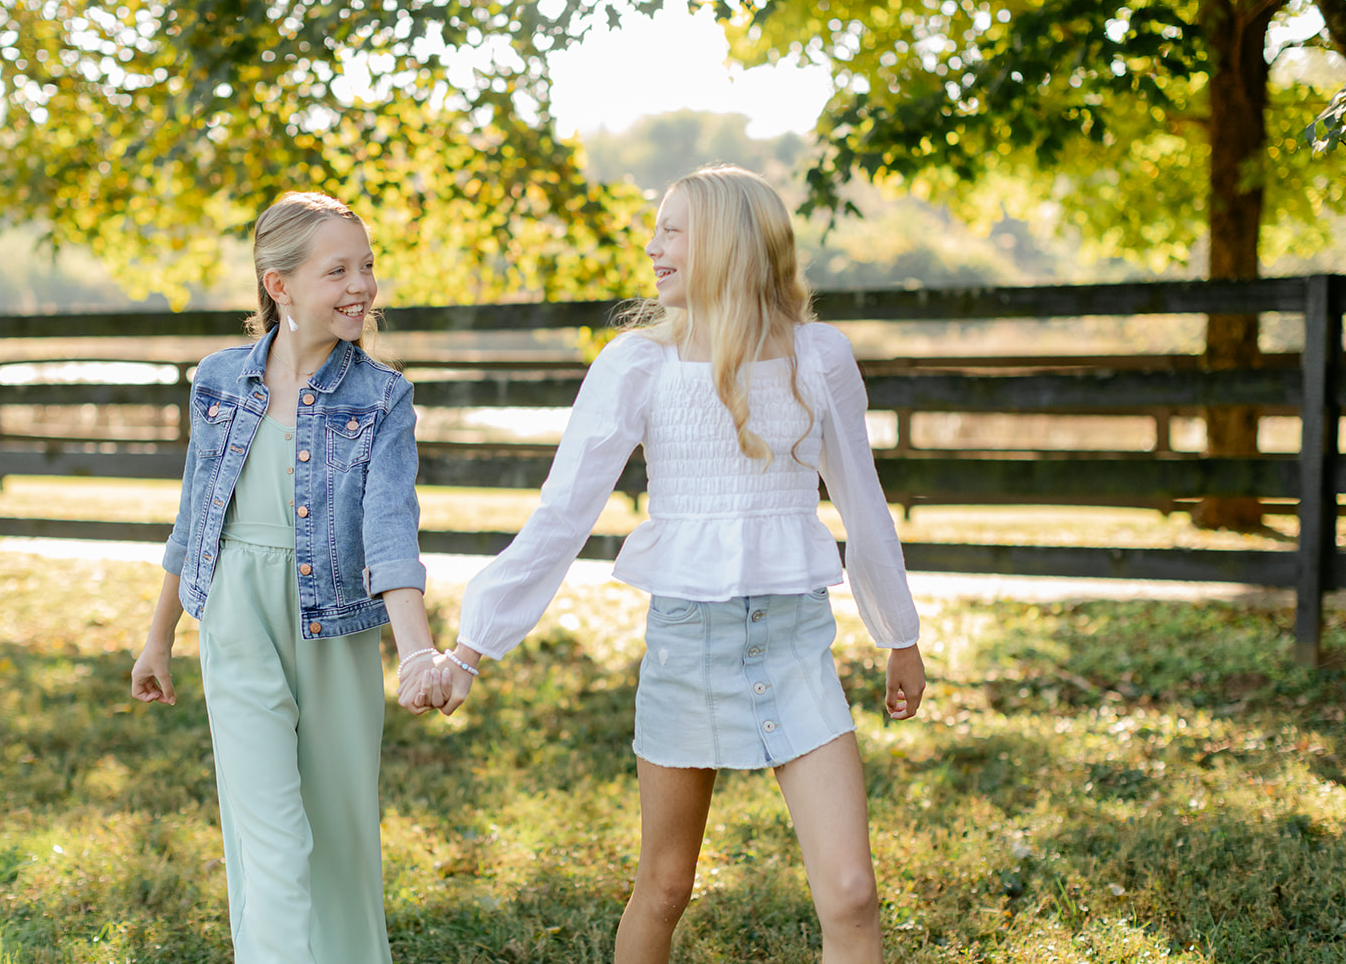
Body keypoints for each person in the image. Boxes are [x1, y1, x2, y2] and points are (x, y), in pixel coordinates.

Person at [436, 166, 927, 963]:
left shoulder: (820, 356)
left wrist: (897, 633)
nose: (652, 246)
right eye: (655, 229)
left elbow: (864, 503)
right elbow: (561, 515)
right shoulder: (637, 364)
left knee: (852, 892)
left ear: (730, 243)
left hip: (796, 645)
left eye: (672, 229)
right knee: (665, 884)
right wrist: (474, 645)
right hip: (686, 648)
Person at [129, 191, 450, 963]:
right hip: (237, 613)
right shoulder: (217, 381)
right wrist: (157, 639)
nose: (362, 286)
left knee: (340, 834)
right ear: (280, 285)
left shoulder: (382, 398)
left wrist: (417, 650)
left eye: (366, 266)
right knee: (268, 835)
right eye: (337, 269)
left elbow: (391, 535)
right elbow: (194, 517)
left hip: (336, 624)